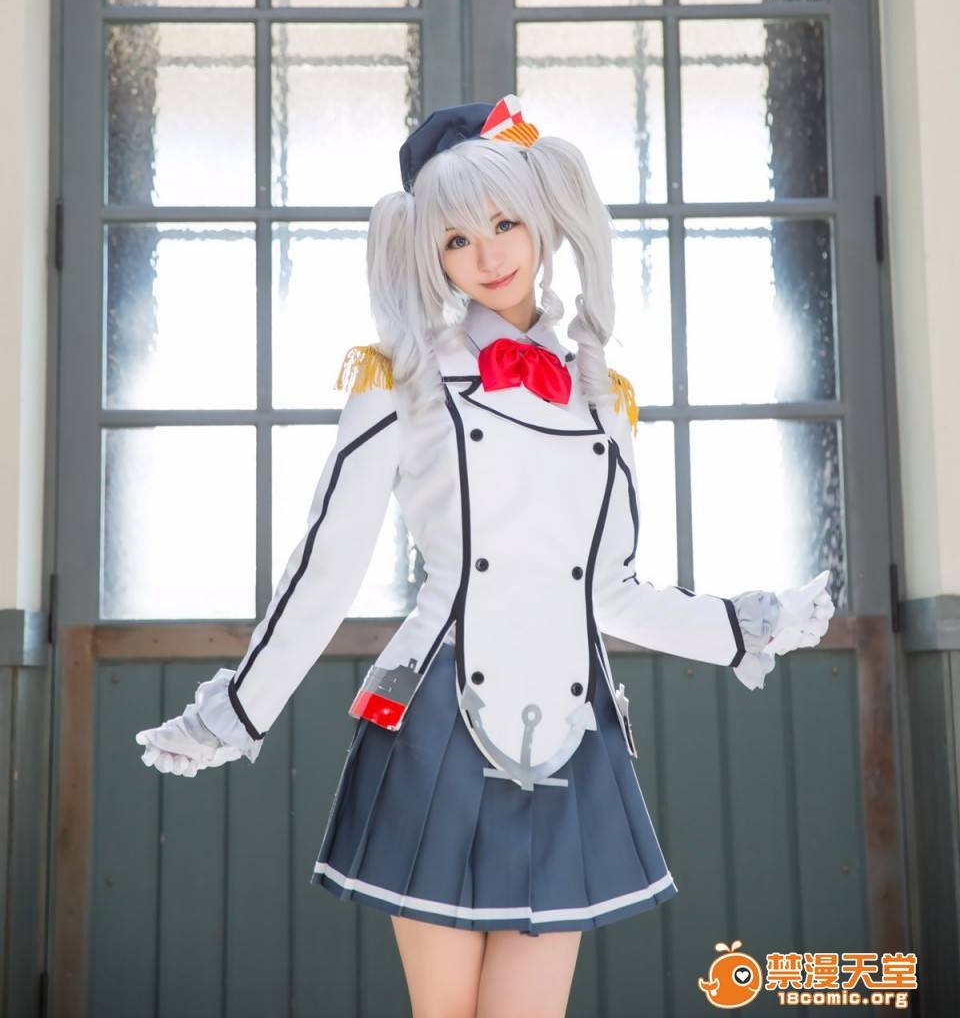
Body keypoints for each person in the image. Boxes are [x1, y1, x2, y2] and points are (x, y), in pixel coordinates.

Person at [136, 93, 834, 1018]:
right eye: (458, 239)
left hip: (572, 727)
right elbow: (326, 566)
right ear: (431, 255)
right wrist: (235, 711)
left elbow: (613, 593)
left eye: (505, 223)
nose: (489, 254)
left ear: (543, 220)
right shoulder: (401, 376)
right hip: (436, 720)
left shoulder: (602, 392)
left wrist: (746, 628)